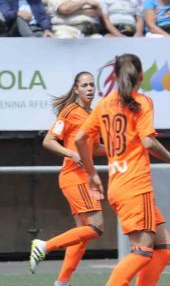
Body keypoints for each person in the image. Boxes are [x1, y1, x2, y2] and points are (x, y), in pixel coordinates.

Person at [75, 53, 170, 286]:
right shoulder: (141, 101)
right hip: (135, 185)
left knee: (165, 248)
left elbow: (80, 138)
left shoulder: (104, 104)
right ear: (141, 76)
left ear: (114, 76)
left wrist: (93, 173)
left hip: (118, 185)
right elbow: (148, 141)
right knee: (143, 251)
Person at [29, 72, 104, 285]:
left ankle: (62, 282)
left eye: (91, 85)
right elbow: (49, 140)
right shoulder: (70, 111)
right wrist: (71, 154)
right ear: (76, 89)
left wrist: (121, 149)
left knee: (82, 233)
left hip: (85, 176)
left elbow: (95, 147)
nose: (89, 88)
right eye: (84, 85)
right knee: (96, 227)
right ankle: (44, 246)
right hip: (74, 175)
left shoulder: (94, 114)